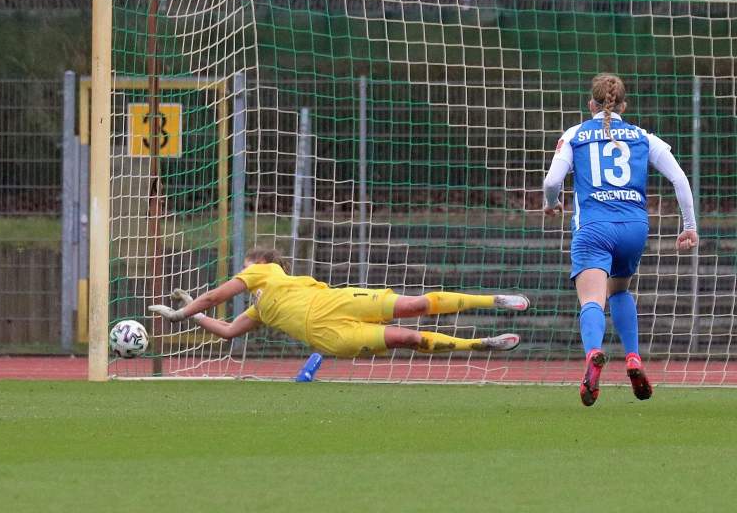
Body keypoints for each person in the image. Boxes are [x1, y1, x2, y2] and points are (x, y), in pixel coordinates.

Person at [543, 73, 698, 406]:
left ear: (591, 104)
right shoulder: (643, 136)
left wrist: (552, 203)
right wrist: (689, 226)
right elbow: (679, 178)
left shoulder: (575, 134)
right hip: (634, 228)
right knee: (620, 290)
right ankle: (633, 357)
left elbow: (552, 181)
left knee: (592, 300)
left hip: (594, 227)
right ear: (623, 106)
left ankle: (594, 353)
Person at [148, 246, 527, 360]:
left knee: (413, 305)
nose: (242, 272)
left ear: (261, 264)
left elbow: (216, 297)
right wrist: (191, 315)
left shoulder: (266, 272)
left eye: (246, 266)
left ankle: (493, 300)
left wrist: (184, 311)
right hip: (328, 337)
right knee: (408, 338)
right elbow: (229, 331)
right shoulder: (258, 309)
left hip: (335, 303)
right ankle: (480, 344)